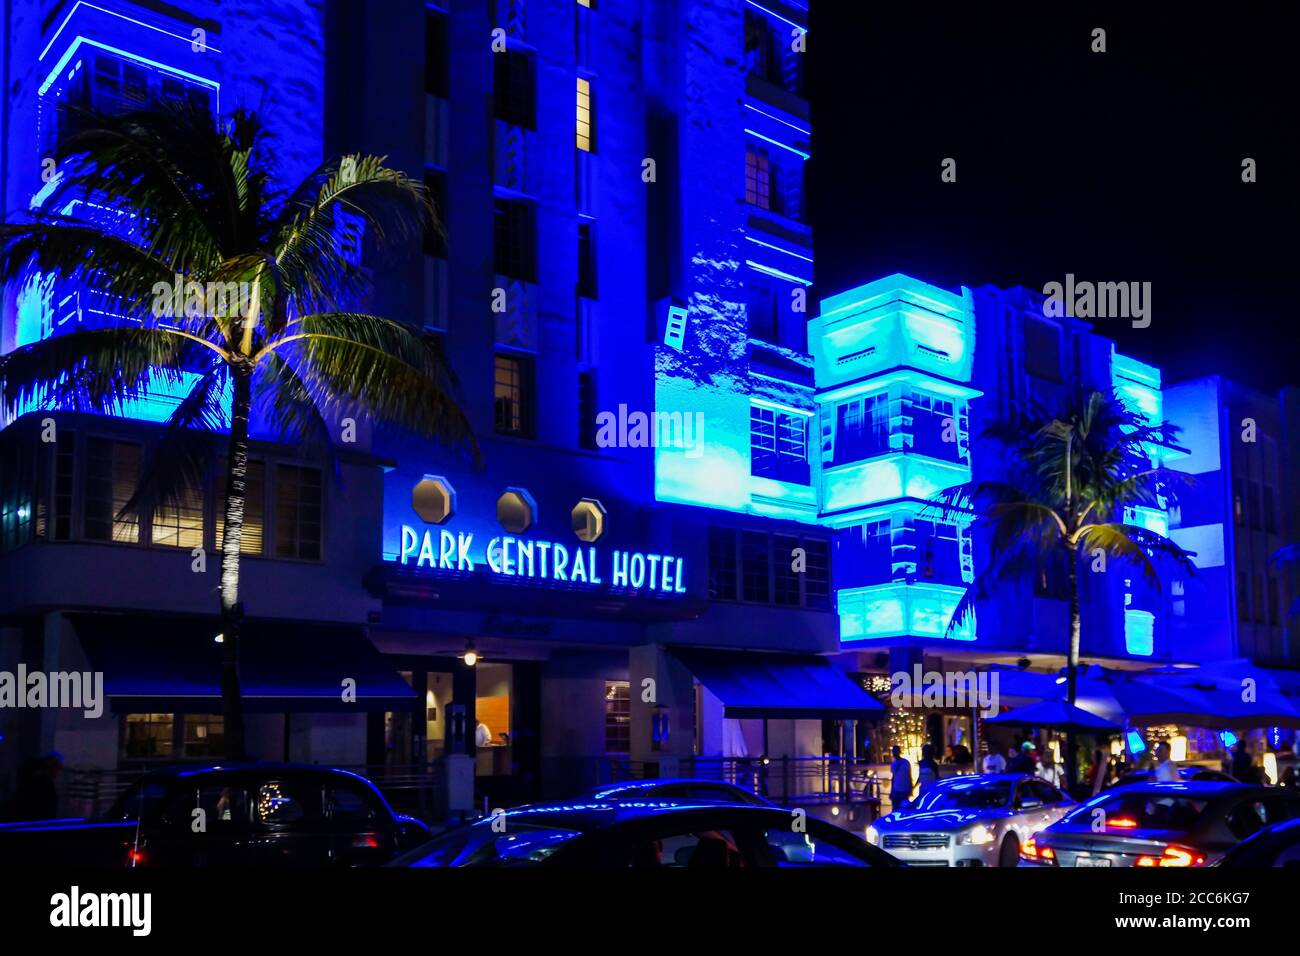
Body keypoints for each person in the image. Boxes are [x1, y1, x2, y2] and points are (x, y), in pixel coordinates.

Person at [889, 746, 913, 810]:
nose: (894, 753)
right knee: (897, 809)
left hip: (903, 791)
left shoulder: (905, 763)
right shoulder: (893, 764)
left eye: (895, 751)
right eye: (893, 751)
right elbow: (894, 777)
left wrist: (910, 789)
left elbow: (909, 776)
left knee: (901, 809)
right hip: (897, 790)